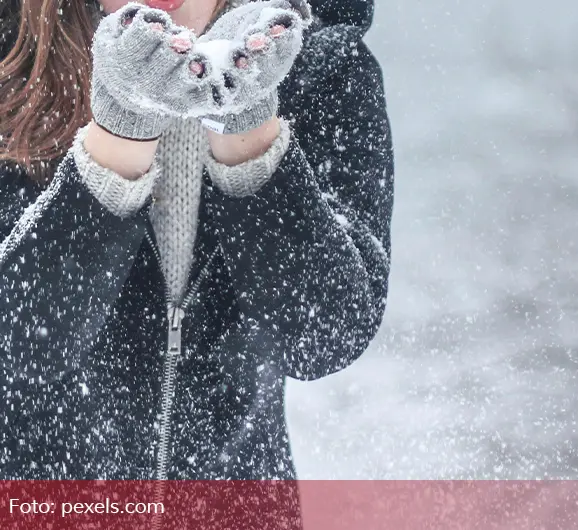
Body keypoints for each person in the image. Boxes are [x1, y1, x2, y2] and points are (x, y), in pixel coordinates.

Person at [0, 0, 393, 490]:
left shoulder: (321, 64)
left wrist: (249, 130)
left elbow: (324, 337)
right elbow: (20, 348)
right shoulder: (11, 54)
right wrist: (119, 138)